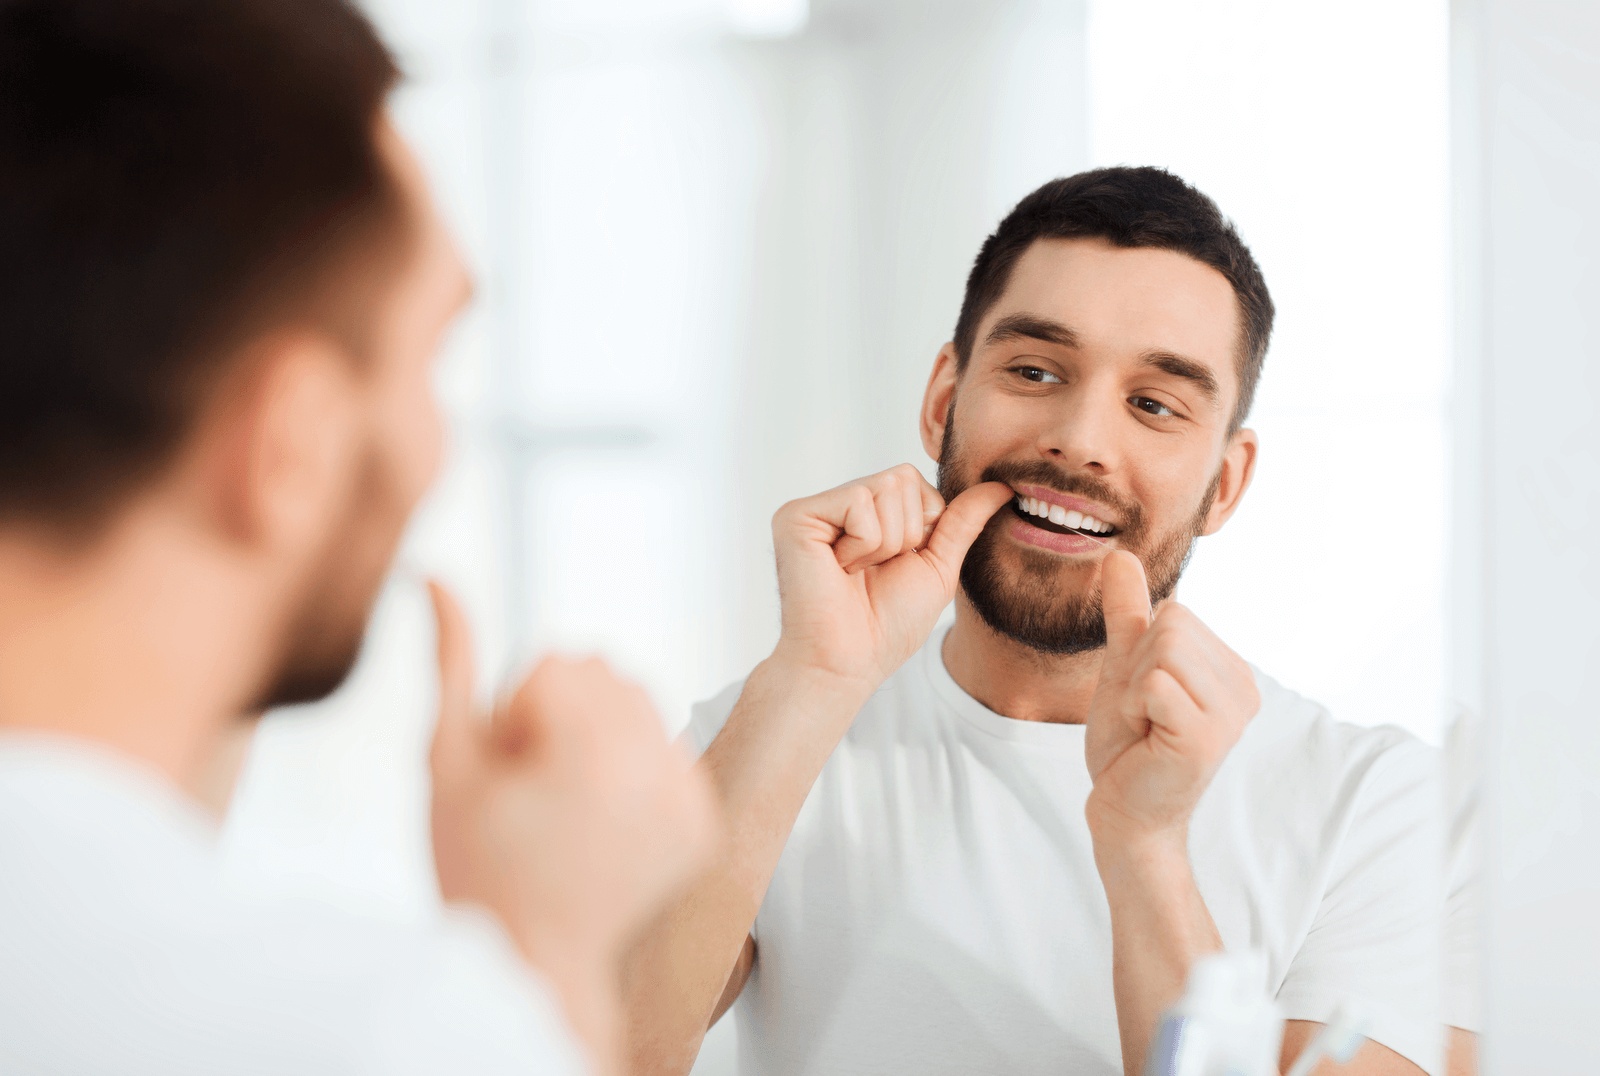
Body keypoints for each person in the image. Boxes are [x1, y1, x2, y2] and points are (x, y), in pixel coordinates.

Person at [0, 2, 715, 1074]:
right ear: (290, 444)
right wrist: (551, 964)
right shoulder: (365, 1034)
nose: (435, 444)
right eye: (429, 355)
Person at [623, 168, 1446, 1076]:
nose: (1081, 438)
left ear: (1228, 482)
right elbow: (602, 1051)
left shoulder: (1379, 807)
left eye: (1154, 404)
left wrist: (1149, 853)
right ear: (945, 398)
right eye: (1035, 371)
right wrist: (811, 683)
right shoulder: (762, 737)